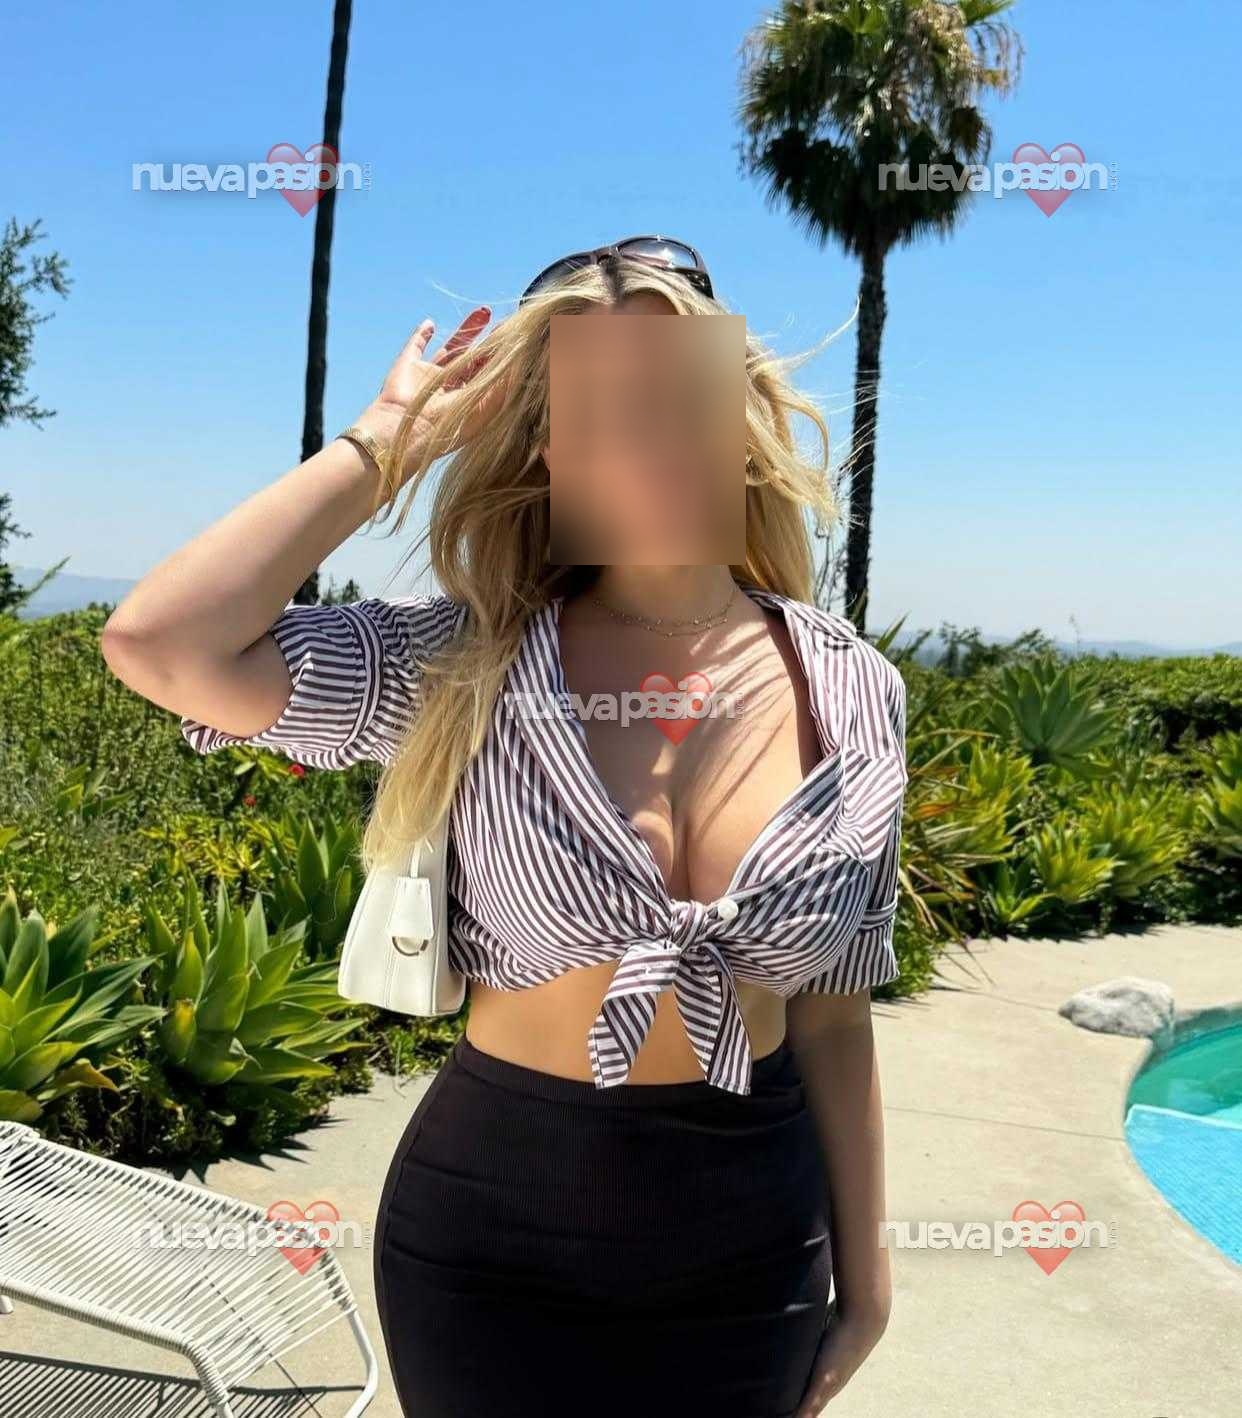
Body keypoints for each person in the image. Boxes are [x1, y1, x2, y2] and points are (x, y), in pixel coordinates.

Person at [102, 235, 909, 1418]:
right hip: (493, 1238)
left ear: (743, 422)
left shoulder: (852, 687)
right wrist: (391, 440)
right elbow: (161, 643)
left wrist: (869, 1281)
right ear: (549, 451)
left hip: (754, 1238)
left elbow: (834, 1014)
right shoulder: (462, 661)